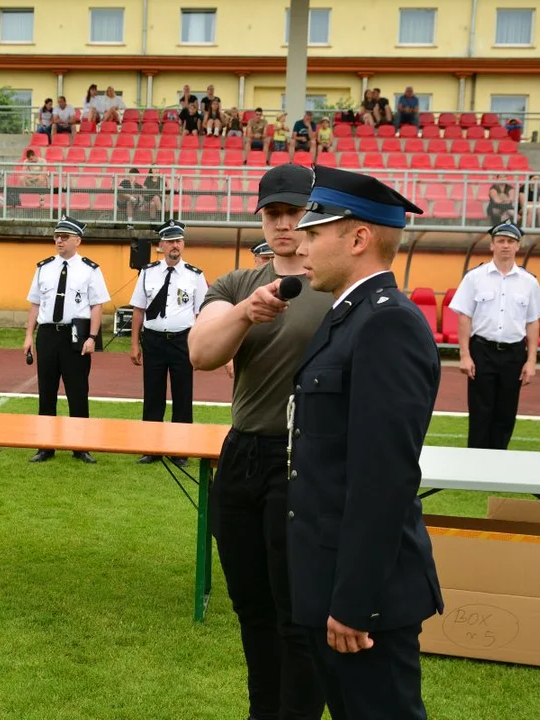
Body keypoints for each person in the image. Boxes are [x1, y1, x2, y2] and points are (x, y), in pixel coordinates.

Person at [287, 165, 442, 720]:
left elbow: (384, 480)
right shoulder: (347, 316)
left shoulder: (385, 324)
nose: (299, 246)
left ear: (357, 238)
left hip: (362, 601)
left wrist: (354, 604)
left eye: (312, 234)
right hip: (331, 583)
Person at [188, 163, 333, 720]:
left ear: (314, 214)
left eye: (294, 212)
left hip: (303, 461)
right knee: (252, 609)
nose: (283, 224)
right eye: (272, 214)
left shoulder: (335, 287)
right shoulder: (236, 285)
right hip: (244, 454)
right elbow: (202, 353)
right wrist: (248, 313)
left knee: (297, 615)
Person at [450, 223, 540, 450]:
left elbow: (533, 321)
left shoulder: (529, 282)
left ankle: (498, 460)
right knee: (480, 409)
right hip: (482, 350)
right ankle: (476, 460)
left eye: (510, 242)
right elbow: (465, 317)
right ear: (492, 244)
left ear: (518, 246)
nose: (506, 246)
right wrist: (465, 355)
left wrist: (531, 360)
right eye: (501, 241)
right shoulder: (474, 277)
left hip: (514, 352)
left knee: (506, 410)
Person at [23, 216, 111, 464]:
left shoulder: (90, 269)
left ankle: (80, 445)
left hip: (76, 335)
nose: (59, 241)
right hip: (49, 334)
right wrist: (29, 335)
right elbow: (35, 304)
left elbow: (96, 306)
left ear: (77, 241)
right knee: (46, 391)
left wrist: (92, 337)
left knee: (78, 390)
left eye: (64, 237)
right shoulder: (44, 267)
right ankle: (45, 445)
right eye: (56, 237)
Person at [129, 220, 208, 466]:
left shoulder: (195, 275)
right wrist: (134, 344)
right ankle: (151, 449)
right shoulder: (147, 272)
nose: (175, 245)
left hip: (182, 341)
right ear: (161, 245)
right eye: (170, 241)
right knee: (153, 395)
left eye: (179, 241)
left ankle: (180, 450)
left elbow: (201, 314)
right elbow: (138, 311)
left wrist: (197, 346)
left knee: (183, 396)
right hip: (153, 340)